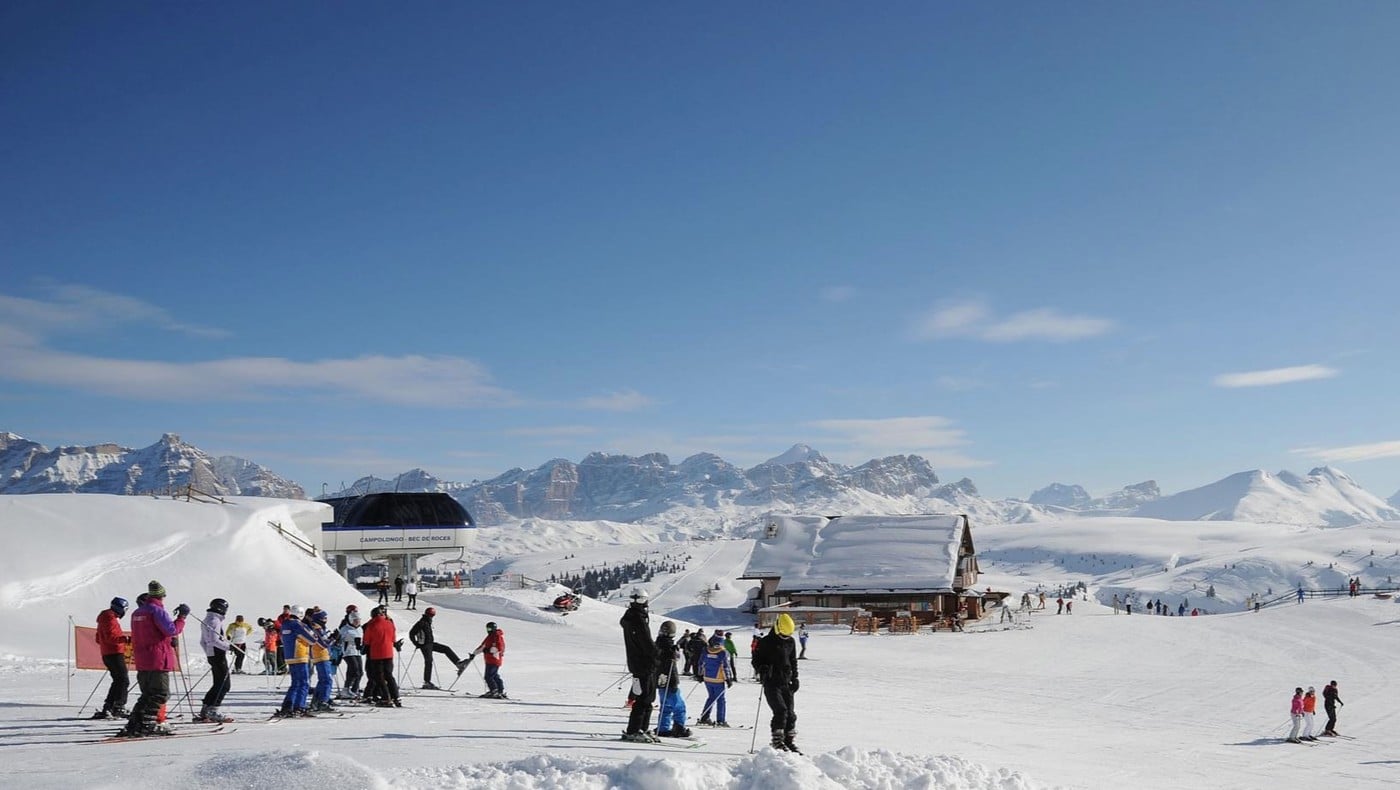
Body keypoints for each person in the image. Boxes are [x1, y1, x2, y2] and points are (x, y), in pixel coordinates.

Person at [119, 580, 188, 737]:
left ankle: (135, 722)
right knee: (160, 693)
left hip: (143, 658)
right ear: (162, 595)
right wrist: (182, 617)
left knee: (147, 694)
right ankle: (148, 722)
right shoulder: (157, 611)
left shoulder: (137, 613)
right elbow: (171, 630)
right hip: (158, 658)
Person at [753, 613, 801, 753]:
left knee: (791, 714)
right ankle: (777, 741)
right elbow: (756, 660)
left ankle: (788, 741)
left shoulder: (790, 642)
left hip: (786, 681)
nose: (785, 638)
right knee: (781, 711)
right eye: (783, 635)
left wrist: (795, 678)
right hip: (771, 681)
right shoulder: (765, 642)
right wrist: (761, 668)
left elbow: (793, 661)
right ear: (778, 628)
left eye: (787, 636)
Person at [619, 587, 659, 742]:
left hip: (637, 663)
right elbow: (646, 643)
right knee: (644, 699)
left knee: (646, 698)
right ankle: (634, 730)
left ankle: (642, 728)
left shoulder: (630, 617)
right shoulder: (638, 619)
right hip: (644, 664)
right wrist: (657, 655)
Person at [409, 607, 468, 689]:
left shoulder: (427, 621)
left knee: (446, 649)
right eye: (431, 615)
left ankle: (458, 663)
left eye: (432, 615)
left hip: (430, 644)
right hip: (425, 645)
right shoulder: (421, 623)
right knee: (429, 661)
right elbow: (411, 633)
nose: (432, 616)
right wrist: (416, 643)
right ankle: (427, 682)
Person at [94, 596, 131, 719]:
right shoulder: (110, 618)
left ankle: (109, 706)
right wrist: (125, 639)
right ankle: (118, 706)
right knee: (123, 680)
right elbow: (110, 637)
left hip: (108, 653)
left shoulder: (106, 618)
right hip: (114, 653)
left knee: (118, 680)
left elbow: (99, 639)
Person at [197, 598, 233, 723]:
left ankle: (206, 709)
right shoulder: (214, 620)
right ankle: (213, 710)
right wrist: (229, 646)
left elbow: (203, 641)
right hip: (217, 654)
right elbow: (214, 640)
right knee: (224, 684)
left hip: (213, 654)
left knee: (218, 683)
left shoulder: (208, 619)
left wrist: (208, 654)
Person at [277, 605, 316, 717]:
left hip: (289, 656)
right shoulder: (297, 624)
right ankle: (300, 706)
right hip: (300, 655)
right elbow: (312, 639)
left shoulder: (285, 624)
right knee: (304, 682)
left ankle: (287, 706)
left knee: (295, 683)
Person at [654, 621, 689, 737]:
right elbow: (672, 665)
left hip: (660, 679)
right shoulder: (669, 647)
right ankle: (679, 727)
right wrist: (674, 683)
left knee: (665, 706)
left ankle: (662, 728)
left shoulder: (657, 644)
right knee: (679, 706)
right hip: (669, 679)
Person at [362, 606, 402, 707]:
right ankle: (396, 696)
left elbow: (367, 640)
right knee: (389, 675)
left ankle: (386, 698)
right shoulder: (389, 623)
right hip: (388, 653)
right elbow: (393, 638)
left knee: (379, 677)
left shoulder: (371, 624)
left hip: (376, 653)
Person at [697, 633, 733, 727]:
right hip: (718, 679)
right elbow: (725, 666)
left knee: (711, 697)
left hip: (707, 678)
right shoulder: (723, 652)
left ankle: (704, 717)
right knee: (720, 699)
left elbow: (701, 663)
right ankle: (721, 720)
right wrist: (728, 678)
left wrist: (700, 674)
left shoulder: (706, 650)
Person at [308, 609, 337, 711]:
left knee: (323, 680)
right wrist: (333, 639)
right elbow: (323, 643)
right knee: (327, 680)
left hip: (322, 656)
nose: (326, 620)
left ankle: (316, 701)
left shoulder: (319, 628)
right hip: (321, 656)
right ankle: (323, 701)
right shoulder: (317, 629)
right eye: (324, 618)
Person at [469, 621, 507, 698]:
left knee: (488, 676)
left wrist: (489, 650)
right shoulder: (490, 636)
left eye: (490, 628)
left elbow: (499, 648)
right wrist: (474, 653)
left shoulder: (497, 636)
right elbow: (483, 646)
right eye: (487, 628)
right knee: (494, 676)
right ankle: (500, 690)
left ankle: (494, 690)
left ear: (494, 628)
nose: (488, 630)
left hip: (494, 659)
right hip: (490, 659)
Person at [338, 607, 365, 699]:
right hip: (348, 652)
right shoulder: (345, 628)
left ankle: (354, 689)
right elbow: (340, 639)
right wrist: (351, 640)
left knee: (360, 672)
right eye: (355, 620)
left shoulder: (360, 629)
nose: (357, 622)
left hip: (357, 652)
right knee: (355, 670)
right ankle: (346, 689)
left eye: (358, 620)